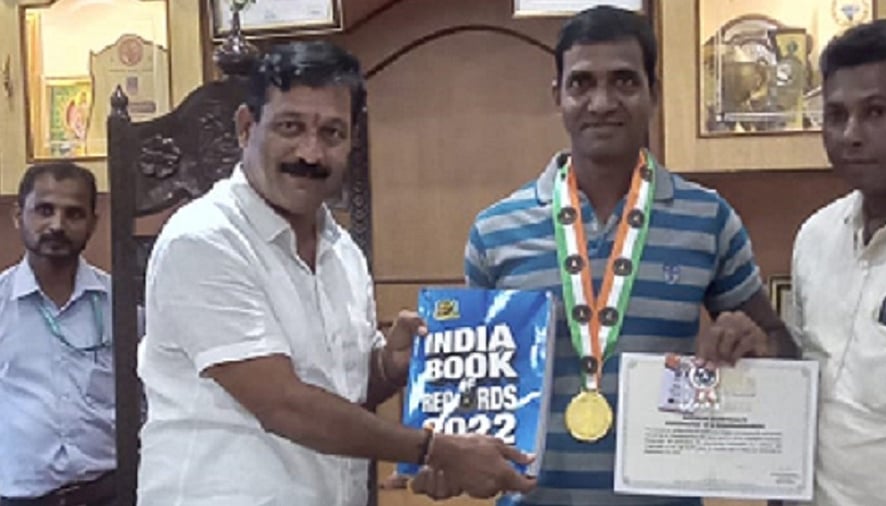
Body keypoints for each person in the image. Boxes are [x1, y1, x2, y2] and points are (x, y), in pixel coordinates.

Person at [135, 41, 535, 506]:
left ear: (352, 141)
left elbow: (341, 392)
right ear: (246, 127)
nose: (310, 153)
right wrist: (435, 449)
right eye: (290, 127)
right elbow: (284, 404)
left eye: (332, 133)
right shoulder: (203, 240)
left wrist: (389, 366)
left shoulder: (343, 252)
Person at [455, 6, 796, 506]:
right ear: (557, 96)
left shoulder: (709, 218)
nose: (601, 102)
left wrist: (755, 344)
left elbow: (780, 345)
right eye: (581, 83)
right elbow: (472, 380)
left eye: (624, 81)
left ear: (653, 93)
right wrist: (440, 453)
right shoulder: (495, 231)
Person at [790, 19, 886, 506]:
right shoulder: (814, 238)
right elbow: (802, 380)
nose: (850, 134)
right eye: (835, 115)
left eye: (876, 112)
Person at [0, 163, 116, 506]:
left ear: (93, 223)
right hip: (22, 497)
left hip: (110, 491)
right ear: (18, 216)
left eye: (74, 214)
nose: (57, 226)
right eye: (44, 210)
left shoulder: (123, 304)